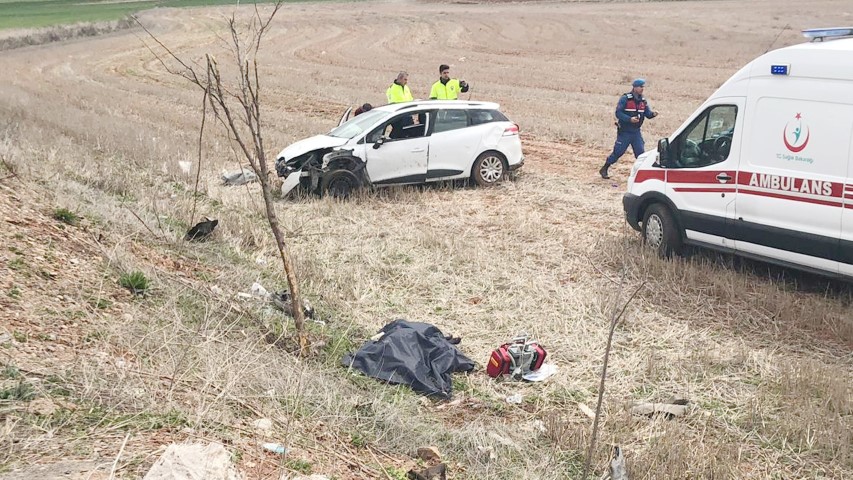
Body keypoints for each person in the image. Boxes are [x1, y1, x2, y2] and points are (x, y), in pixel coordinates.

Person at [599, 78, 658, 179]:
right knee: (618, 152)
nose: (642, 89)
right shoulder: (625, 98)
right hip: (625, 131)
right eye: (640, 87)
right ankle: (604, 168)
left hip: (636, 132)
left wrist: (653, 114)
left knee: (640, 154)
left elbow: (647, 114)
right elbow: (618, 113)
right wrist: (629, 119)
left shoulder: (643, 101)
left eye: (643, 87)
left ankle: (641, 174)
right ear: (634, 87)